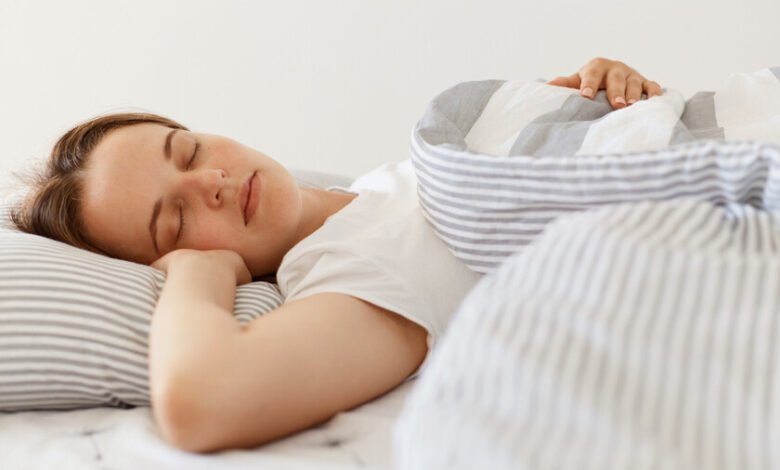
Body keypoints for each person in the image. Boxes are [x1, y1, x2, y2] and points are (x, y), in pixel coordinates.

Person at [10, 57, 663, 453]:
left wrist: (599, 98)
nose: (209, 182)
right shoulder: (354, 272)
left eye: (189, 152)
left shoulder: (371, 188)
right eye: (174, 221)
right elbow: (202, 402)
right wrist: (195, 275)